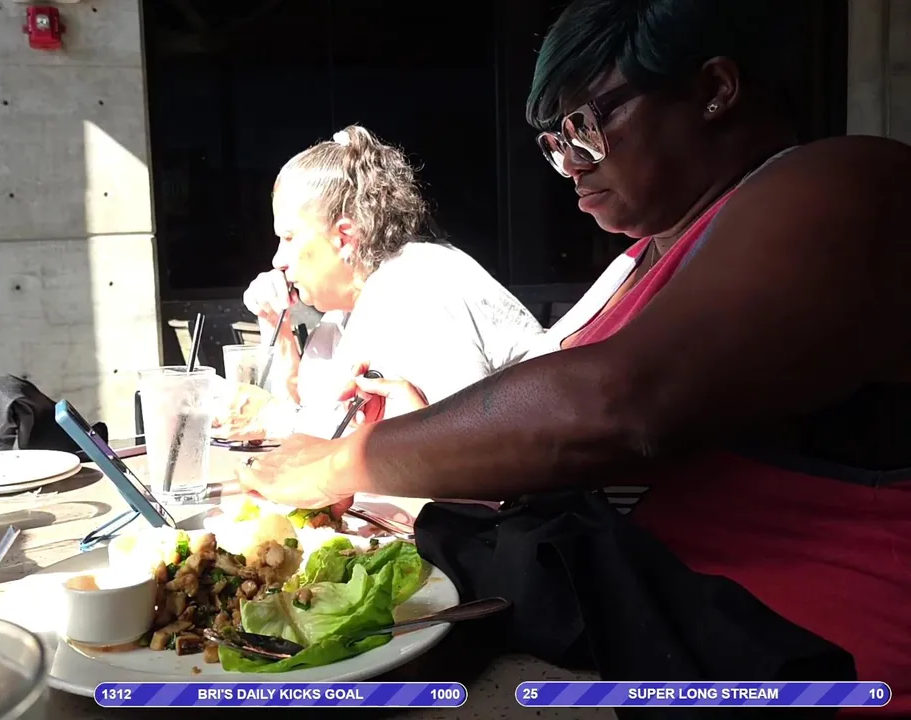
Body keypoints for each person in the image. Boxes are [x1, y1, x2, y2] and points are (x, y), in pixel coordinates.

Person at [236, 0, 911, 711]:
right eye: (553, 142)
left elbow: (615, 405)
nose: (569, 166)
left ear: (714, 89)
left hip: (820, 673)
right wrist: (423, 428)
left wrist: (342, 461)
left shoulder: (850, 183)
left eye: (586, 126)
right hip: (637, 647)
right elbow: (547, 432)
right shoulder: (639, 262)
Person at [229, 124, 542, 438]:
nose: (278, 260)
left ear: (344, 237)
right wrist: (278, 327)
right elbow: (310, 419)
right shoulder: (345, 312)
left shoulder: (417, 286)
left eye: (288, 237)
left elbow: (463, 446)